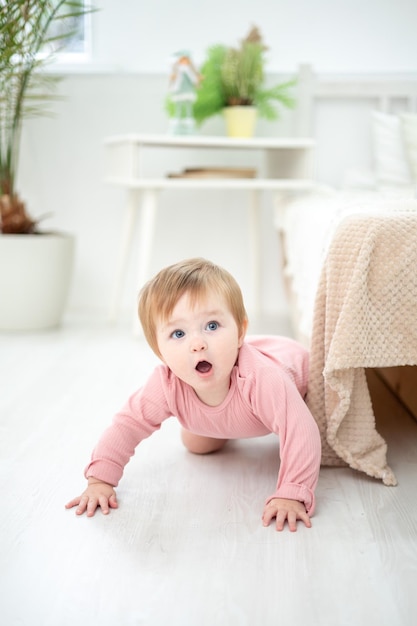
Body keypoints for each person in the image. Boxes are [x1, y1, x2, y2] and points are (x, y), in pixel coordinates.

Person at [66, 258, 321, 532]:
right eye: (178, 333)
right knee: (197, 445)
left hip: (299, 376)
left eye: (212, 326)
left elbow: (300, 429)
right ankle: (217, 424)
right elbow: (127, 425)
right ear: (159, 351)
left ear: (240, 332)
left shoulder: (263, 378)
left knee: (312, 427)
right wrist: (100, 480)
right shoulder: (166, 384)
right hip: (225, 414)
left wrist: (292, 493)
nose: (198, 344)